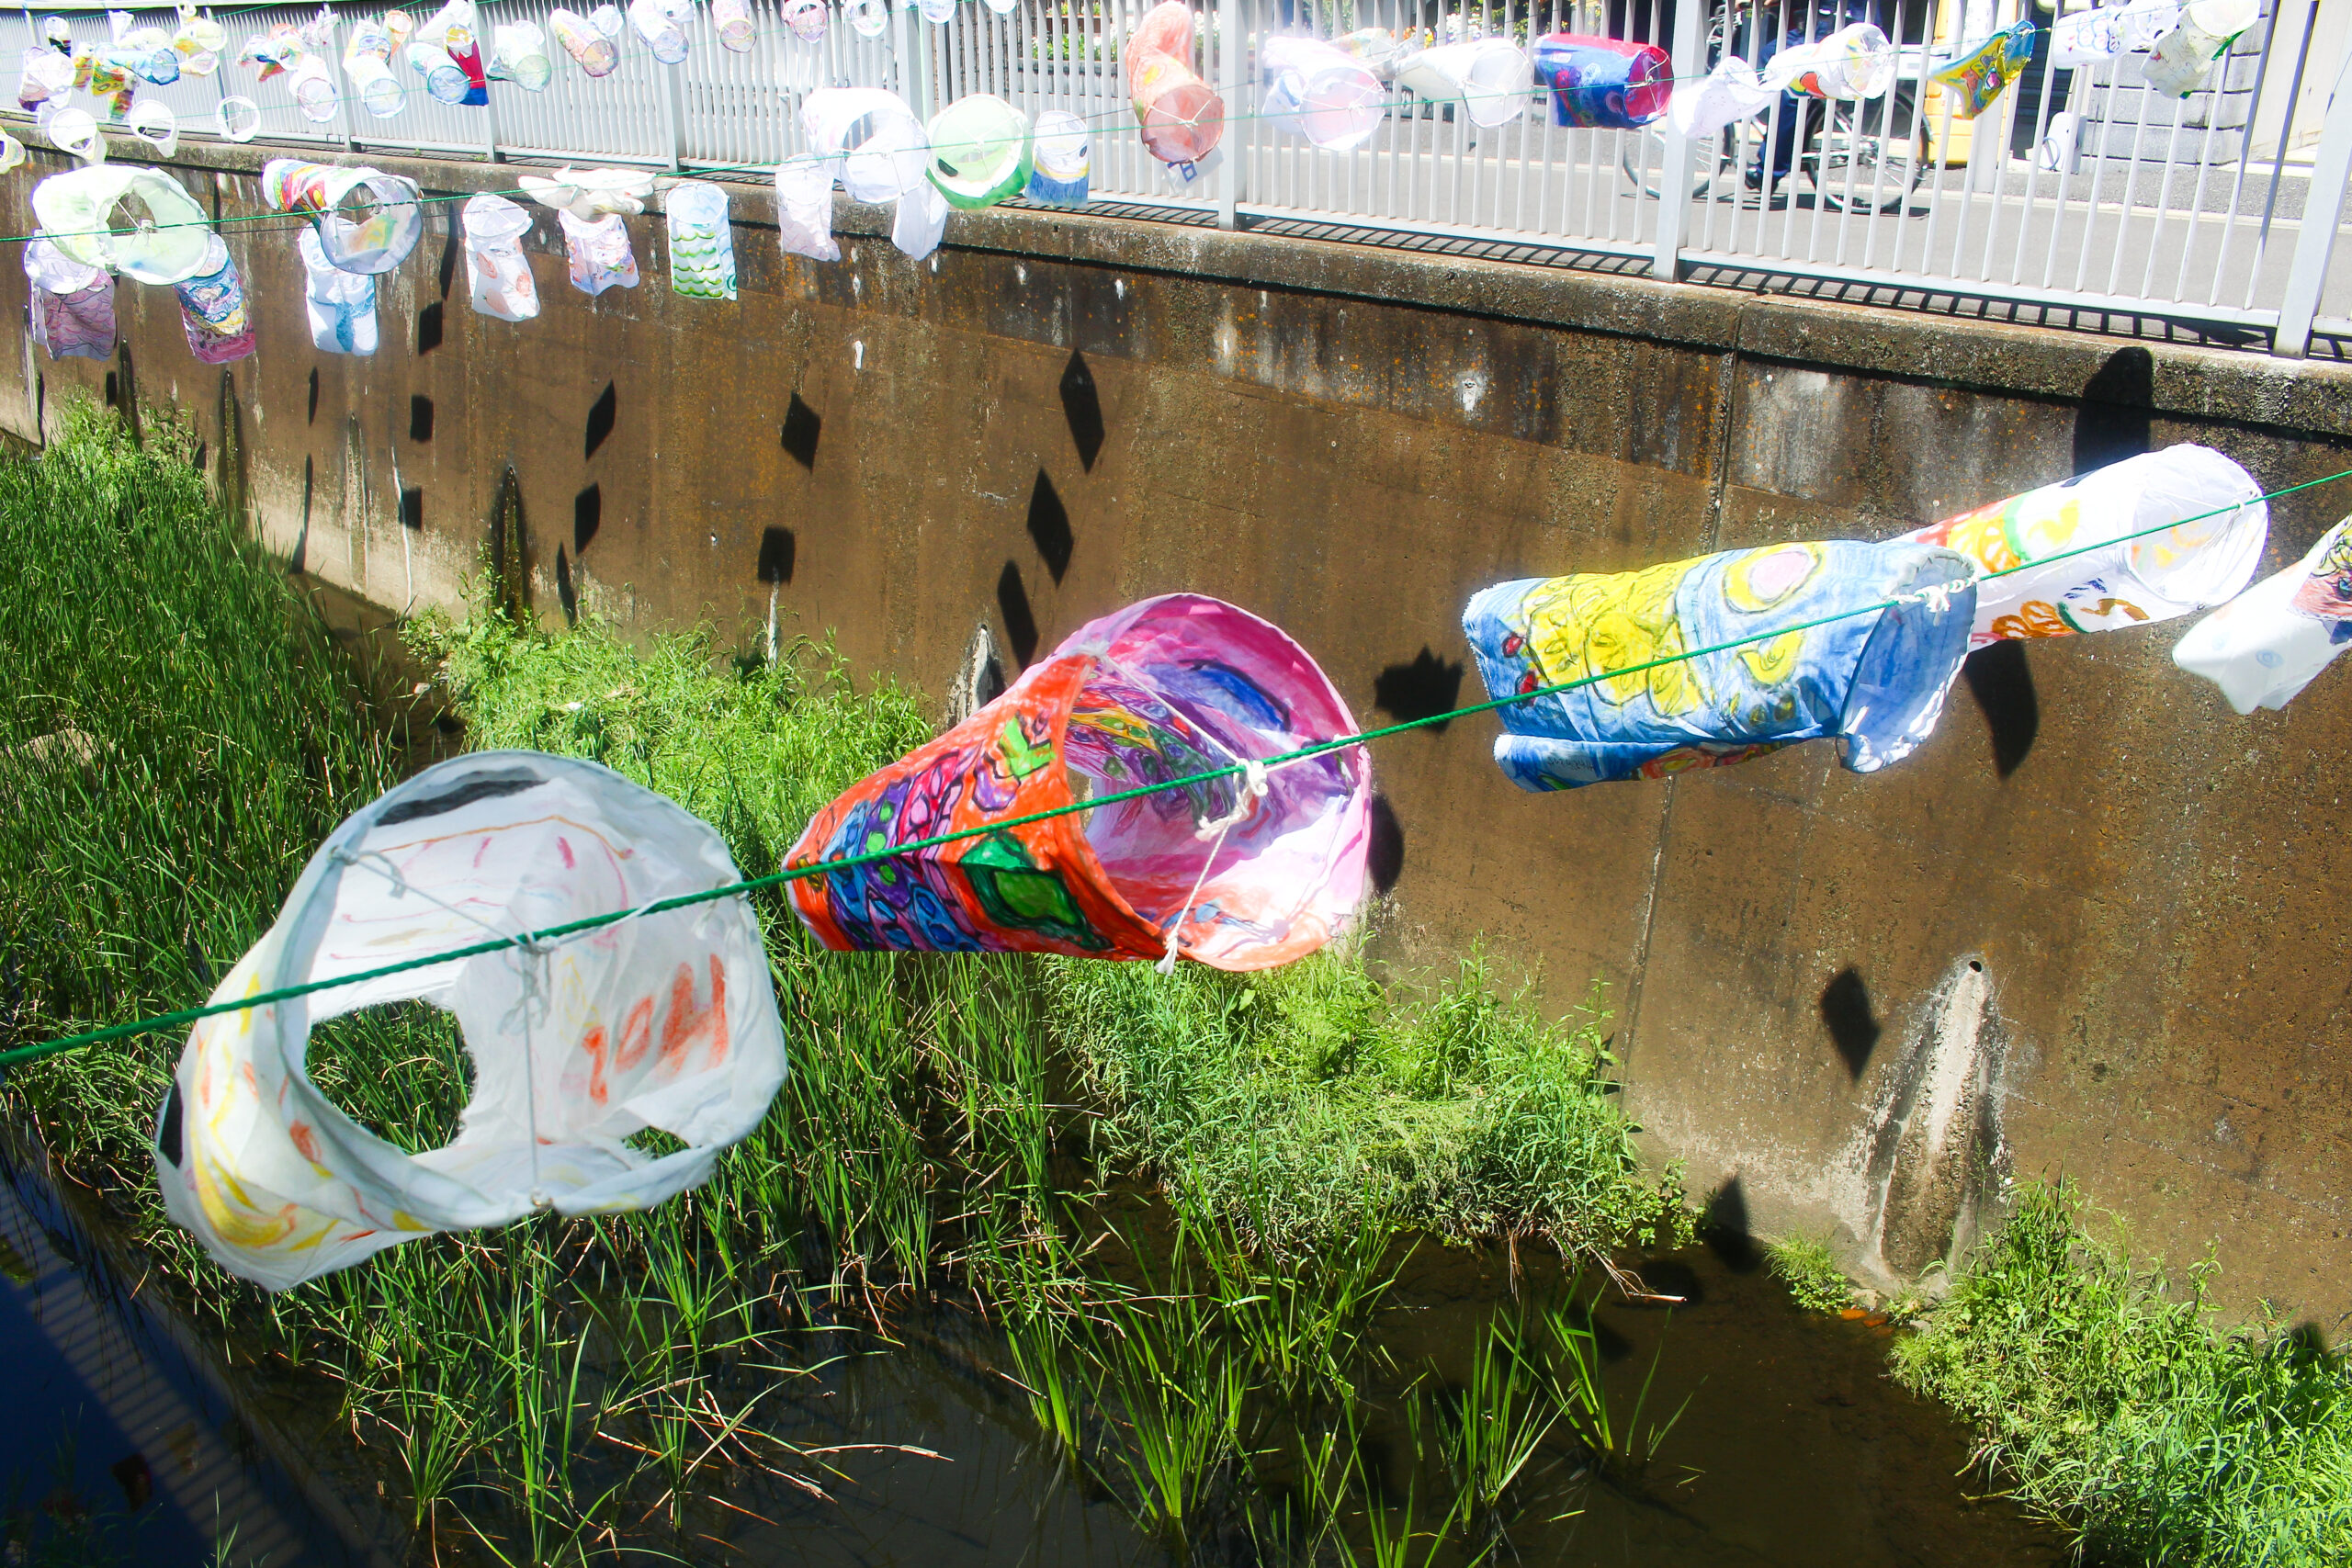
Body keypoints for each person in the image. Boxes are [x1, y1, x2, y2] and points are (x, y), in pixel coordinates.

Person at [1741, 0, 1883, 189]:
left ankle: (1770, 168)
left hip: (1832, 28)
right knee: (1779, 64)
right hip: (1858, 29)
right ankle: (1800, 129)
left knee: (1786, 80)